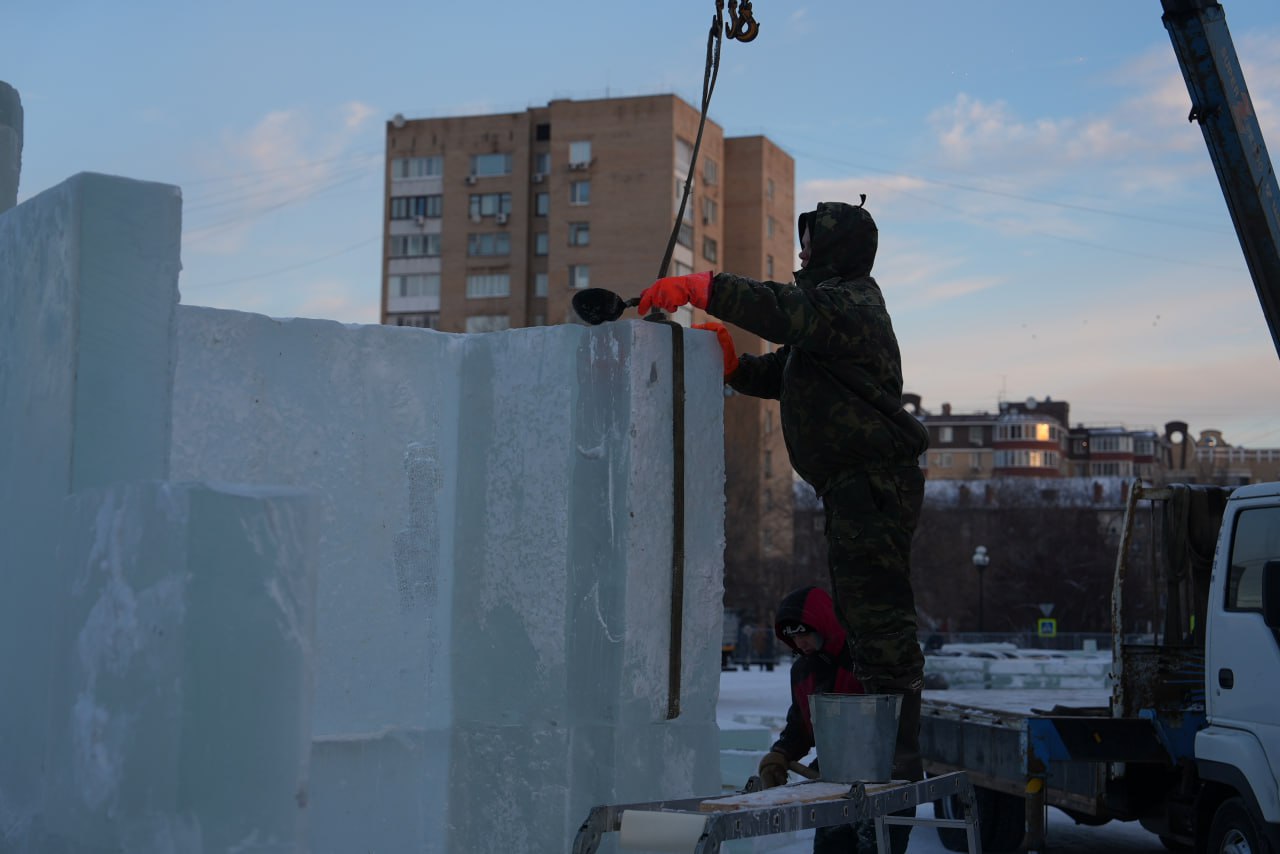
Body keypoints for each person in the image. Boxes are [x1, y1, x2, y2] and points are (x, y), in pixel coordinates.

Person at [638, 199, 930, 800]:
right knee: (864, 617)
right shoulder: (828, 320)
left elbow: (782, 310)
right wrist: (735, 366)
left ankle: (896, 758)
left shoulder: (850, 304)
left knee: (879, 621)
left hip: (871, 480)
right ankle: (875, 746)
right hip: (853, 484)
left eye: (810, 243)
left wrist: (705, 288)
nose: (802, 254)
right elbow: (785, 374)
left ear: (834, 250)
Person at [760, 586, 903, 854]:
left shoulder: (865, 661)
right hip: (831, 782)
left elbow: (892, 721)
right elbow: (800, 725)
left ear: (823, 623)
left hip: (883, 782)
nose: (799, 643)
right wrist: (780, 755)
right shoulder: (803, 671)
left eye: (804, 633)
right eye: (793, 637)